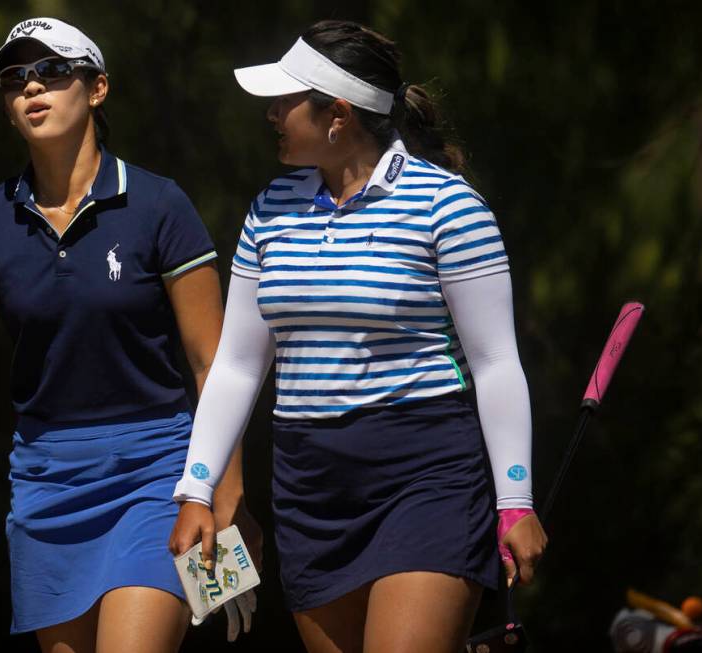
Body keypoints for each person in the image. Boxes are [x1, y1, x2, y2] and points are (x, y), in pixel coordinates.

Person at [169, 19, 547, 653]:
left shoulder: (448, 206)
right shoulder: (270, 208)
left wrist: (515, 499)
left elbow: (493, 361)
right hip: (310, 485)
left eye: (285, 101)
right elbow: (238, 363)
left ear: (338, 115)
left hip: (426, 474)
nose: (272, 113)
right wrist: (196, 488)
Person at [0, 17, 259, 653]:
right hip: (48, 481)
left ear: (97, 89)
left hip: (160, 472)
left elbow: (215, 362)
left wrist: (223, 490)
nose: (32, 87)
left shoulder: (160, 205)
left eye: (52, 71)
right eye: (15, 78)